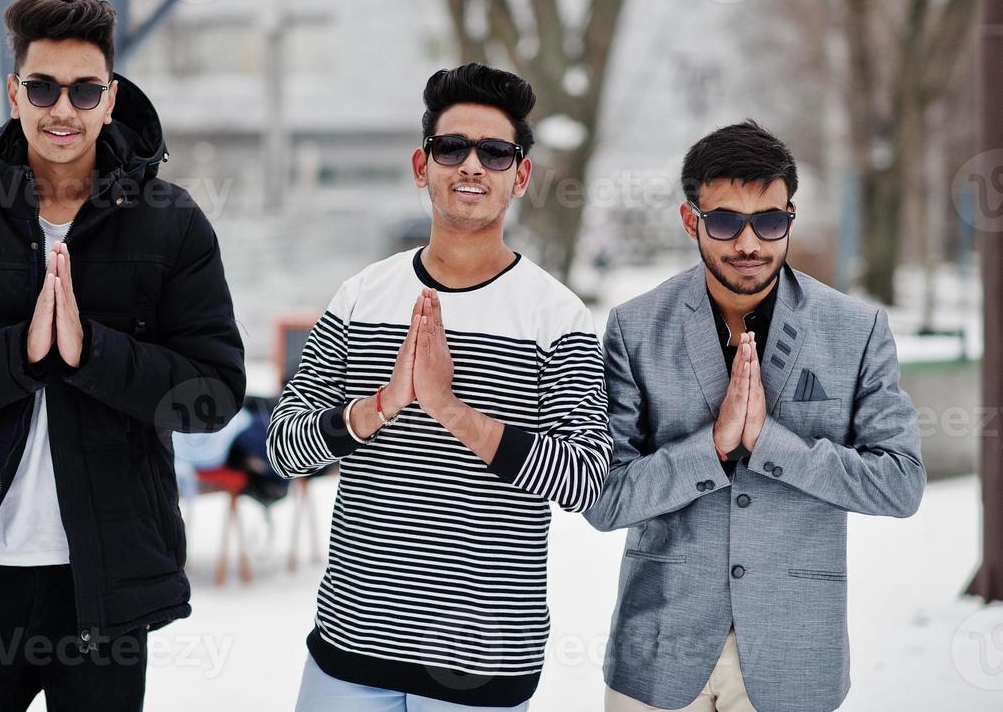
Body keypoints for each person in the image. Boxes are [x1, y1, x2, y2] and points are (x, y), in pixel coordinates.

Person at [0, 0, 246, 711]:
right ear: (14, 93)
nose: (61, 109)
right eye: (41, 87)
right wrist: (19, 355)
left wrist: (91, 353)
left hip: (105, 583)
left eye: (83, 90)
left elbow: (213, 394)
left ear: (111, 99)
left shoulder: (172, 225)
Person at [267, 62, 612, 710]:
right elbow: (284, 448)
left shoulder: (553, 316)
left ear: (521, 173)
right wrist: (377, 408)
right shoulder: (361, 298)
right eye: (451, 148)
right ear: (421, 165)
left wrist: (453, 411)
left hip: (481, 664)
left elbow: (584, 478)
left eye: (494, 151)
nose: (470, 166)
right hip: (350, 649)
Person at [583, 120, 925, 712]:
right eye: (725, 222)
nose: (750, 243)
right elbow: (604, 498)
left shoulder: (856, 330)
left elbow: (900, 484)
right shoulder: (634, 329)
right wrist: (711, 449)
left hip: (794, 658)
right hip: (659, 657)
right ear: (692, 221)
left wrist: (771, 442)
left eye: (769, 221)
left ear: (789, 216)